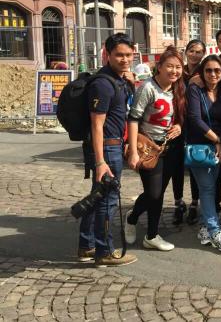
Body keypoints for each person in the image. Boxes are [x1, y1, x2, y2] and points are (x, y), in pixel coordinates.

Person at [78, 33, 137, 267]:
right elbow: (97, 124)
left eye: (129, 55)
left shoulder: (118, 79)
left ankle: (86, 245)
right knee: (108, 200)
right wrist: (100, 161)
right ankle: (105, 251)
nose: (125, 59)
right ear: (107, 54)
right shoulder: (102, 84)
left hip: (113, 145)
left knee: (97, 197)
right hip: (108, 149)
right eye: (119, 55)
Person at [125, 47, 186, 252]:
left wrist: (179, 126)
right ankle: (132, 217)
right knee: (153, 193)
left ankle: (151, 236)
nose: (174, 71)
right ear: (159, 67)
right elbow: (133, 119)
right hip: (149, 148)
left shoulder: (178, 89)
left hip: (170, 148)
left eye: (178, 67)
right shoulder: (147, 88)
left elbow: (180, 116)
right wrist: (133, 151)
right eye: (170, 66)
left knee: (158, 194)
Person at [186, 54, 221, 252]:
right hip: (201, 146)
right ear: (202, 72)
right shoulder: (195, 89)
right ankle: (215, 231)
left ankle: (205, 228)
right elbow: (194, 118)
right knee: (207, 188)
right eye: (208, 70)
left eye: (217, 70)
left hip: (219, 147)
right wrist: (216, 140)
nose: (213, 74)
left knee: (211, 188)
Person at [172, 39, 206, 225]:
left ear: (203, 54)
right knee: (176, 165)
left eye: (199, 51)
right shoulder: (178, 71)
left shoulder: (205, 72)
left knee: (194, 163)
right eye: (192, 50)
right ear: (186, 52)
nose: (195, 54)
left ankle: (194, 202)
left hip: (196, 125)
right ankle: (178, 202)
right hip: (177, 123)